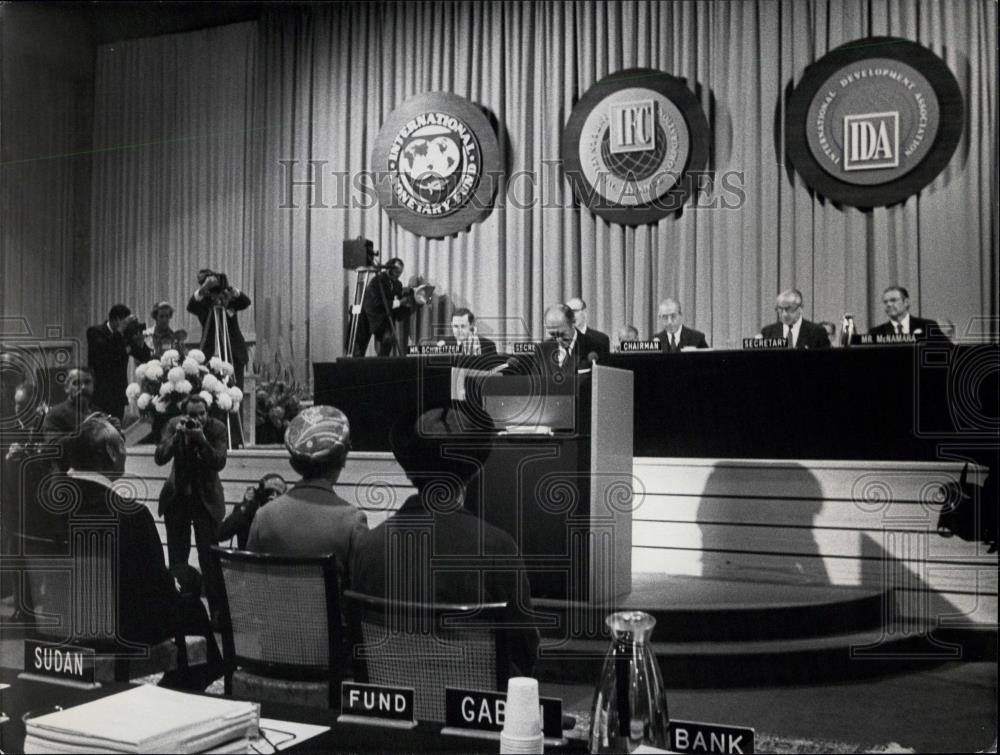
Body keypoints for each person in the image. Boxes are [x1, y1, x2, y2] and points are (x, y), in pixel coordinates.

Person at [351, 407, 540, 676]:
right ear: (473, 472)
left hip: (390, 707)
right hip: (474, 712)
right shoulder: (498, 548)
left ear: (409, 472)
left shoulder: (367, 547)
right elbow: (524, 651)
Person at [38, 415, 222, 688]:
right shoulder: (132, 516)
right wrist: (184, 583)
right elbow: (159, 592)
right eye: (122, 444)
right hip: (120, 632)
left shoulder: (46, 512)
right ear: (111, 453)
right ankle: (175, 694)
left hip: (57, 628)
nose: (125, 451)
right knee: (191, 608)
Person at [247, 406, 368, 584]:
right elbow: (361, 592)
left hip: (273, 611)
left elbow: (251, 585)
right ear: (342, 460)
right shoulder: (352, 521)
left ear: (294, 465)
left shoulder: (263, 516)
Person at [154, 394, 228, 624]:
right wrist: (177, 435)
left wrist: (201, 439)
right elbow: (159, 457)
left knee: (210, 558)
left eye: (202, 414)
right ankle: (180, 612)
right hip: (178, 498)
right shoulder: (175, 424)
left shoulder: (216, 428)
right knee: (177, 557)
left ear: (208, 412)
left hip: (206, 499)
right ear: (183, 414)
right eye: (192, 415)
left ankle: (217, 614)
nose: (197, 419)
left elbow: (219, 461)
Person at [86, 304, 152, 419]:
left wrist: (141, 343)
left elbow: (144, 358)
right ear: (117, 320)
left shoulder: (124, 336)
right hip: (100, 395)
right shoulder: (95, 332)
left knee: (116, 431)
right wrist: (120, 330)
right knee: (100, 431)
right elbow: (103, 349)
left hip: (118, 394)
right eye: (125, 322)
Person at [187, 269, 251, 388]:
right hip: (209, 355)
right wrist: (204, 288)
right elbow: (190, 306)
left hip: (234, 354)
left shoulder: (230, 302)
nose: (217, 296)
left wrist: (232, 291)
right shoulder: (204, 305)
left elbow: (246, 302)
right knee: (210, 392)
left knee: (235, 393)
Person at [353, 258, 412, 357]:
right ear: (388, 268)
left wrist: (405, 305)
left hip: (384, 320)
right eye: (396, 271)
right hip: (369, 317)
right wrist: (399, 302)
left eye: (400, 273)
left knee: (389, 338)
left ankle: (380, 365)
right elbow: (376, 303)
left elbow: (397, 306)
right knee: (359, 350)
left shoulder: (398, 284)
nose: (398, 275)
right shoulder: (377, 280)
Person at [216, 473, 288, 550]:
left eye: (278, 493)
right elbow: (221, 534)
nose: (273, 496)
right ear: (260, 492)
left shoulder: (286, 515)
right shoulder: (247, 510)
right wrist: (245, 507)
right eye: (269, 492)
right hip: (248, 559)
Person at [41, 368, 97, 444]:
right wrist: (84, 431)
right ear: (67, 388)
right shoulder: (54, 414)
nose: (83, 387)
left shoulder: (98, 412)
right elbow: (53, 446)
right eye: (76, 383)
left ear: (93, 386)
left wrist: (114, 431)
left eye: (87, 382)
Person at [759, 289, 830, 349]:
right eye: (780, 309)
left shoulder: (817, 332)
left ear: (801, 308)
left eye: (788, 309)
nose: (784, 314)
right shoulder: (768, 332)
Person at [868, 286, 941, 341]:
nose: (888, 304)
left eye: (893, 300)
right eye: (885, 302)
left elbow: (947, 350)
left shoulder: (927, 326)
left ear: (906, 302)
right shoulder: (876, 333)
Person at [566, 297, 611, 362]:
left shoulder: (601, 339)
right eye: (568, 313)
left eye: (574, 311)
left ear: (585, 312)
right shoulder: (562, 340)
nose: (571, 316)